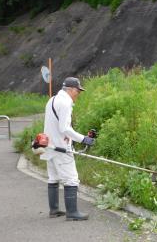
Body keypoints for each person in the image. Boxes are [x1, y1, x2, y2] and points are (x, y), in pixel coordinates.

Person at [40, 77, 94, 220]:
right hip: (60, 148)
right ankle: (72, 213)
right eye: (78, 90)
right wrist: (84, 139)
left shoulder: (52, 100)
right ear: (70, 89)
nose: (79, 93)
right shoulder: (65, 102)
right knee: (71, 179)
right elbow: (64, 128)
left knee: (53, 177)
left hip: (49, 145)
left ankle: (54, 210)